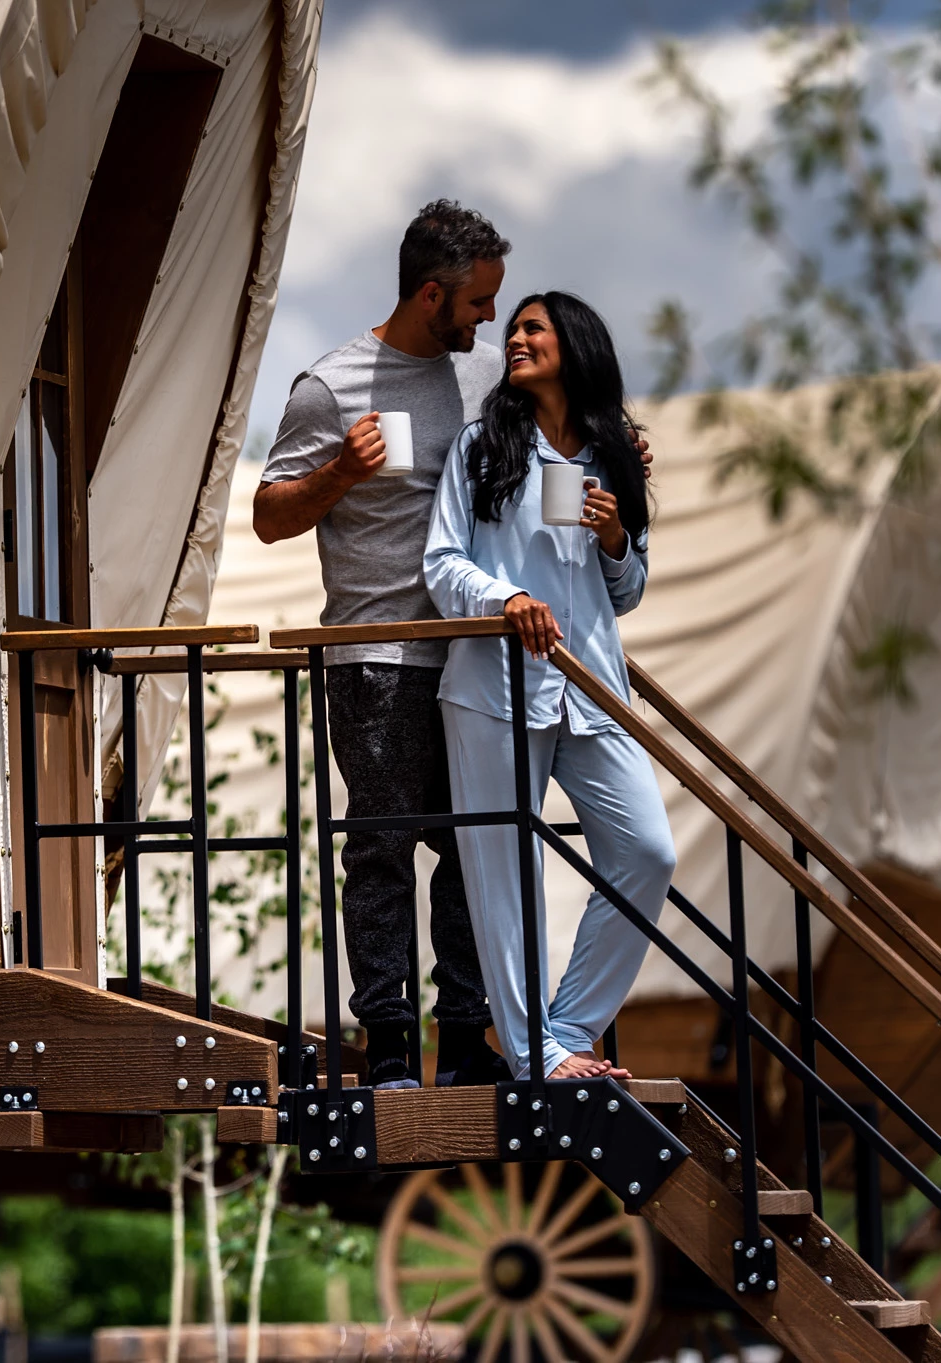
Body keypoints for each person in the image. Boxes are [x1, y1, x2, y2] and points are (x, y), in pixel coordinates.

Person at [254, 200, 514, 1089]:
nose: (488, 322)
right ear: (432, 293)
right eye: (477, 304)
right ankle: (392, 1045)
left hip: (470, 653)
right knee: (382, 849)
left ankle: (466, 1036)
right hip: (376, 659)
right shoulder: (332, 386)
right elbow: (267, 517)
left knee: (476, 842)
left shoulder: (484, 383)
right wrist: (342, 473)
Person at [422, 291, 675, 1082]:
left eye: (534, 328)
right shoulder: (482, 449)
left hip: (592, 684)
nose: (516, 338)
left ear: (576, 345)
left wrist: (614, 540)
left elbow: (624, 592)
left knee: (646, 851)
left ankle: (567, 1028)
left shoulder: (614, 459)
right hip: (495, 687)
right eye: (515, 328)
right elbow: (441, 564)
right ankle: (537, 1054)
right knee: (506, 869)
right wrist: (508, 602)